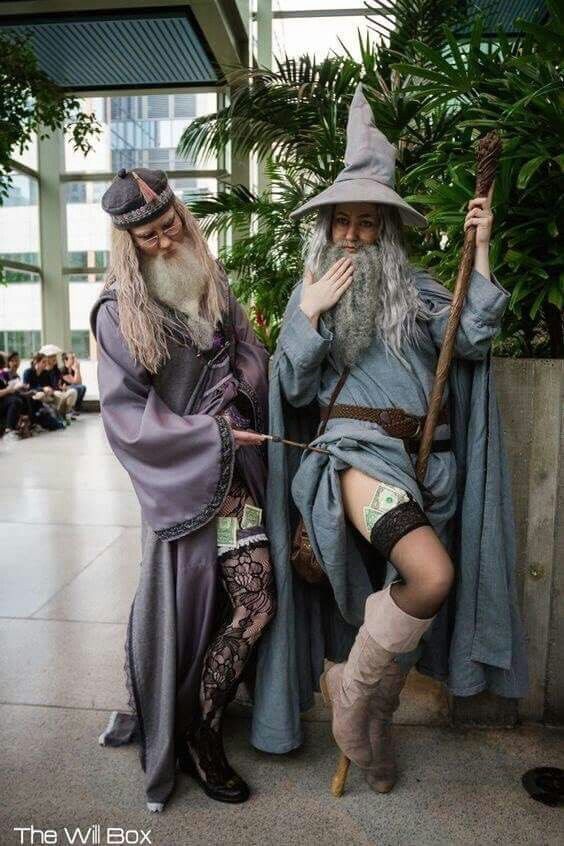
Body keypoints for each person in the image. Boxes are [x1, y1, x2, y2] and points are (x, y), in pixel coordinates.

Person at [251, 85, 528, 792]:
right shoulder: (311, 292)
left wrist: (481, 252)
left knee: (406, 592)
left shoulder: (421, 290)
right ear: (327, 227)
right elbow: (292, 393)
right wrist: (308, 315)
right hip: (354, 460)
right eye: (341, 221)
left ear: (387, 230)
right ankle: (351, 693)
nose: (351, 235)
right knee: (431, 575)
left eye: (366, 223)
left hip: (427, 468)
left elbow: (471, 339)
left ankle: (371, 717)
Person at [90, 167, 274, 812]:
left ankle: (204, 720)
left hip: (241, 473)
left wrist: (236, 389)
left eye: (170, 227)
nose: (165, 243)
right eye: (149, 238)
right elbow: (126, 417)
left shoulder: (210, 278)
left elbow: (249, 350)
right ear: (128, 242)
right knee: (228, 606)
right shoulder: (117, 313)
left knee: (252, 605)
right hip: (186, 482)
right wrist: (209, 435)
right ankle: (198, 731)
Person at [39, 344, 77, 421]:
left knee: (73, 392)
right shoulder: (43, 371)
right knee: (58, 394)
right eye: (53, 356)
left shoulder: (56, 370)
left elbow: (59, 383)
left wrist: (62, 387)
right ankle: (58, 414)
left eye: (55, 356)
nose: (55, 358)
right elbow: (44, 386)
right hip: (50, 393)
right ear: (48, 358)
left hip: (59, 390)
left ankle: (66, 413)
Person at [61, 352, 87, 416]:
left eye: (74, 358)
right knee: (78, 388)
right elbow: (74, 382)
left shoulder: (72, 370)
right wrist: (77, 369)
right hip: (64, 388)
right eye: (72, 358)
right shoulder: (63, 370)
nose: (74, 360)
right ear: (66, 360)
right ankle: (72, 408)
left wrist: (77, 370)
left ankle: (77, 408)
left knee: (83, 387)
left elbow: (80, 383)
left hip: (71, 387)